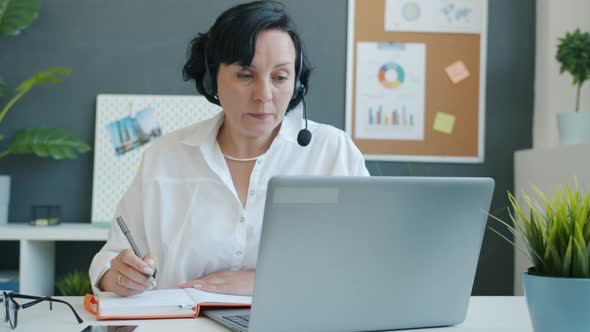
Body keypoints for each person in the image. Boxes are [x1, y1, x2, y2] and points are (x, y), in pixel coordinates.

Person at [89, 0, 369, 297]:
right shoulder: (165, 156)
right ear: (213, 79)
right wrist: (118, 276)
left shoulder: (333, 153)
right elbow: (111, 259)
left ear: (297, 84)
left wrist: (266, 282)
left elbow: (368, 261)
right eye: (246, 75)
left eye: (280, 77)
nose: (264, 95)